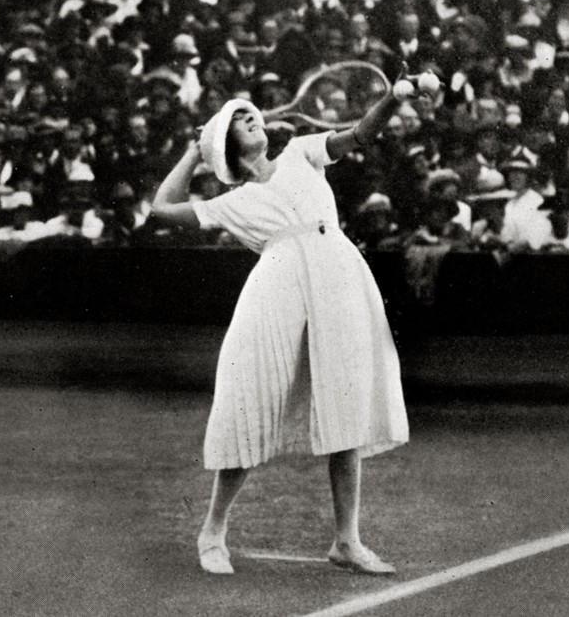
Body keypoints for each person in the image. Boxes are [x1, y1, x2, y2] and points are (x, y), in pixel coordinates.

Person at [152, 80, 417, 576]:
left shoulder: (301, 152)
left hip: (339, 277)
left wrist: (393, 98)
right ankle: (213, 529)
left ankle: (347, 541)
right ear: (226, 145)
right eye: (240, 118)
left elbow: (359, 134)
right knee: (250, 400)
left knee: (345, 403)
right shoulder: (230, 202)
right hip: (276, 289)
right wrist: (193, 154)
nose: (253, 118)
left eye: (254, 114)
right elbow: (160, 208)